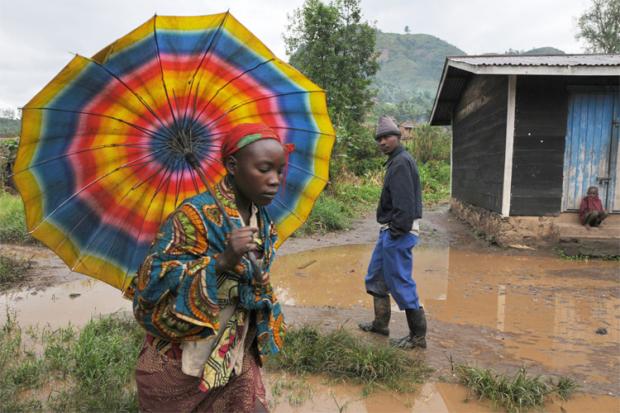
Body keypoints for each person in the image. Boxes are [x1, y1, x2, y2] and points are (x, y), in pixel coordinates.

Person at [129, 123, 289, 412]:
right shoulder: (192, 216)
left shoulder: (261, 219)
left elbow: (251, 280)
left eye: (279, 171)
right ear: (232, 165)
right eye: (264, 169)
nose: (274, 180)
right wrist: (222, 261)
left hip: (234, 347)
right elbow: (152, 281)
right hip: (183, 354)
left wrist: (257, 280)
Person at [358, 115, 426, 349]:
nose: (382, 142)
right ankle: (380, 324)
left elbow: (405, 204)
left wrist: (397, 231)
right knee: (375, 277)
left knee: (400, 281)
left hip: (399, 232)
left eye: (387, 137)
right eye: (379, 138)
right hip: (390, 231)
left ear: (398, 137)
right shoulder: (396, 161)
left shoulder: (400, 163)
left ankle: (418, 337)